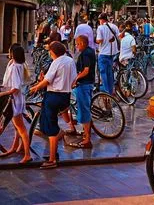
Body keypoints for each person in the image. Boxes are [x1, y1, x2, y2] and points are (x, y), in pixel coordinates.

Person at [30, 41, 77, 169]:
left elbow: (47, 80)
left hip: (54, 96)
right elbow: (74, 79)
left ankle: (52, 159)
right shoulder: (70, 60)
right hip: (65, 95)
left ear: (53, 52)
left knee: (51, 127)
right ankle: (55, 145)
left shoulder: (56, 62)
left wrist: (35, 87)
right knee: (48, 124)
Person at [0, 45, 32, 164]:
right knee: (16, 126)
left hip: (14, 99)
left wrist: (3, 94)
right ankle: (15, 147)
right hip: (19, 99)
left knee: (20, 127)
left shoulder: (14, 67)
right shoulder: (21, 65)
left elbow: (15, 87)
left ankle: (27, 154)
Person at [68, 35, 96, 149]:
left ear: (83, 43)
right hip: (88, 83)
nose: (76, 46)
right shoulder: (90, 51)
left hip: (84, 84)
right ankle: (83, 130)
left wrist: (76, 79)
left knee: (84, 110)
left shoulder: (85, 54)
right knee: (84, 108)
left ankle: (87, 139)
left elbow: (86, 70)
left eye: (77, 43)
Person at [96, 13, 119, 95]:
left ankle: (106, 92)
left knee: (103, 73)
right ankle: (110, 89)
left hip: (103, 52)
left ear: (101, 20)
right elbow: (118, 37)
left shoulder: (100, 28)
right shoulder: (114, 26)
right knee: (109, 72)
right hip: (112, 52)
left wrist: (96, 41)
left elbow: (100, 40)